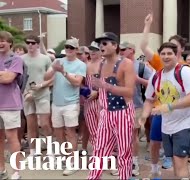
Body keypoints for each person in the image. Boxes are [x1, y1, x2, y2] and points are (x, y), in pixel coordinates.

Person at [140, 42, 190, 178]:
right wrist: (143, 117)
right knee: (175, 161)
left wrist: (169, 106)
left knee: (180, 161)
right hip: (168, 125)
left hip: (187, 122)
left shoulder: (184, 72)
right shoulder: (156, 76)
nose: (166, 56)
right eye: (163, 53)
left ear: (176, 55)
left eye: (170, 53)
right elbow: (149, 99)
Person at [88, 32, 136, 180]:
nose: (101, 46)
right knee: (99, 150)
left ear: (115, 46)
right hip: (106, 113)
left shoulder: (126, 64)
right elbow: (101, 89)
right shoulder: (101, 64)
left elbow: (130, 91)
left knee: (124, 151)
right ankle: (93, 177)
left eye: (105, 43)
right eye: (100, 44)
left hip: (123, 112)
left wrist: (106, 86)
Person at [44, 37, 86, 176]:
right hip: (56, 103)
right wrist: (53, 70)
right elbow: (46, 77)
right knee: (58, 132)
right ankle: (64, 156)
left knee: (70, 133)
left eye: (71, 48)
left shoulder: (80, 65)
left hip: (71, 104)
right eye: (67, 47)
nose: (68, 49)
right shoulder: (58, 61)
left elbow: (76, 83)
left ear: (76, 50)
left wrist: (63, 72)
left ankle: (72, 162)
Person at [119, 41, 153, 176]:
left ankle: (134, 163)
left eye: (123, 49)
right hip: (117, 105)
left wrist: (138, 79)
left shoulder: (140, 66)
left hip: (135, 105)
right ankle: (122, 162)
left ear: (131, 50)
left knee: (133, 136)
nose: (120, 52)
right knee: (120, 136)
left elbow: (153, 83)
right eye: (119, 50)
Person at [22, 35, 53, 162]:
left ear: (37, 45)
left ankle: (51, 151)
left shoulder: (45, 59)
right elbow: (19, 78)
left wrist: (41, 85)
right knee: (31, 125)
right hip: (27, 96)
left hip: (43, 94)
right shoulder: (21, 59)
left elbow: (52, 78)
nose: (30, 45)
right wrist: (25, 93)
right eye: (28, 43)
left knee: (45, 124)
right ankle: (33, 152)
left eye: (33, 43)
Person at [0, 31, 23, 179]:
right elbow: (5, 76)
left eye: (3, 40)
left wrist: (6, 74)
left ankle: (16, 172)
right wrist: (3, 73)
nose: (0, 43)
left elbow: (9, 78)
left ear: (10, 43)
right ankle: (1, 170)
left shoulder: (16, 59)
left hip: (10, 104)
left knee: (12, 137)